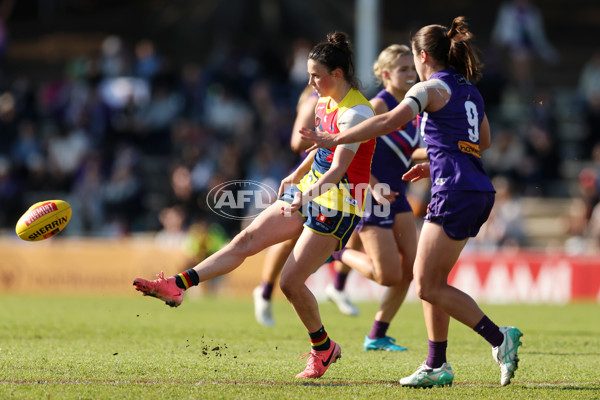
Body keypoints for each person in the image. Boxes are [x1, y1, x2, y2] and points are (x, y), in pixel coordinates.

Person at [134, 31, 376, 379]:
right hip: (310, 191)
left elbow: (339, 168)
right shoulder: (323, 102)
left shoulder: (357, 112)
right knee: (244, 241)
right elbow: (322, 152)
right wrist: (296, 175)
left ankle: (323, 349)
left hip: (339, 204)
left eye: (315, 75)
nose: (309, 81)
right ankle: (177, 285)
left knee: (290, 282)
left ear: (337, 74)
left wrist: (304, 196)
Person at [300, 17, 523, 388]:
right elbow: (480, 142)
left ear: (422, 55)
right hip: (476, 188)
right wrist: (435, 162)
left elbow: (389, 120)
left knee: (426, 285)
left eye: (412, 61)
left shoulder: (430, 87)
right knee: (432, 280)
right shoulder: (470, 90)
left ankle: (499, 338)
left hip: (454, 190)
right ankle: (437, 365)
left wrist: (334, 139)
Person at [328, 44, 426, 352]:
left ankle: (376, 335)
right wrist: (371, 185)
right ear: (385, 75)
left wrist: (448, 152)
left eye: (413, 68)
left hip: (398, 196)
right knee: (387, 276)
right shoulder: (377, 107)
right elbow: (346, 152)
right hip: (372, 197)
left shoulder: (411, 106)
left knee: (411, 271)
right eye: (403, 69)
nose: (411, 74)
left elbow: (408, 151)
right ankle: (337, 255)